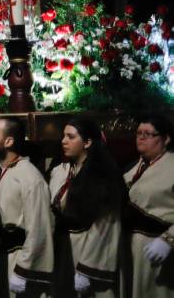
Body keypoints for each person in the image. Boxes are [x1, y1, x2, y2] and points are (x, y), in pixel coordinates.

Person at [49, 117, 123, 297]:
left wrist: (87, 270)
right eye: (63, 136)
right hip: (62, 248)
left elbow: (105, 227)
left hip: (85, 249)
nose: (63, 141)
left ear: (88, 142)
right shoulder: (59, 171)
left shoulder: (102, 177)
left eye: (71, 137)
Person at [0, 117, 54, 297]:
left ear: (9, 141)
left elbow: (39, 227)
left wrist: (24, 271)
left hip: (17, 259)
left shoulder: (30, 178)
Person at [123, 114, 174, 298]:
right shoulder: (133, 167)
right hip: (129, 250)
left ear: (166, 138)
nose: (141, 137)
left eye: (148, 133)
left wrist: (168, 240)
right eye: (138, 133)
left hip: (158, 250)